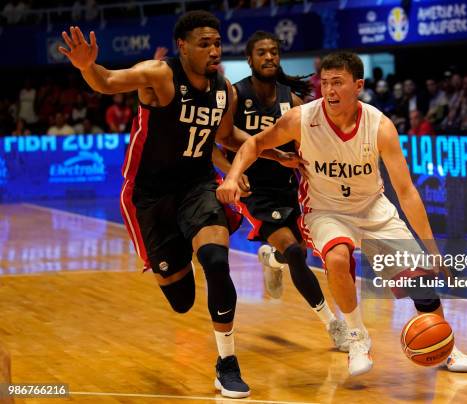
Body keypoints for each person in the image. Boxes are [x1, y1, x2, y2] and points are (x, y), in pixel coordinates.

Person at [58, 12, 296, 398]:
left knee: (218, 262)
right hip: (149, 197)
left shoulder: (225, 90)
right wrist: (88, 66)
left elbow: (226, 136)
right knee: (182, 300)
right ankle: (181, 249)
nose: (215, 51)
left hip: (198, 186)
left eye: (217, 43)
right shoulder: (158, 75)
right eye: (205, 44)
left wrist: (270, 151)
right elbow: (106, 81)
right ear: (182, 46)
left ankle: (227, 364)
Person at [217, 52, 467, 376]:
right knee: (338, 258)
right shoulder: (302, 118)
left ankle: (443, 347)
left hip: (373, 209)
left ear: (358, 86)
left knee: (421, 284)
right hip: (324, 211)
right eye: (324, 83)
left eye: (337, 83)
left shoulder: (379, 126)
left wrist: (431, 249)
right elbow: (253, 144)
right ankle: (356, 337)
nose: (329, 90)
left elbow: (407, 191)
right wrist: (230, 176)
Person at [226, 31, 349, 351]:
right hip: (254, 192)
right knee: (296, 252)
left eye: (274, 52)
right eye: (262, 53)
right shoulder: (237, 95)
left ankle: (272, 260)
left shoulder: (290, 100)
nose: (269, 57)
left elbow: (304, 147)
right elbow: (217, 140)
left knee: (297, 252)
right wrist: (230, 173)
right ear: (249, 60)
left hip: (288, 189)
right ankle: (333, 325)